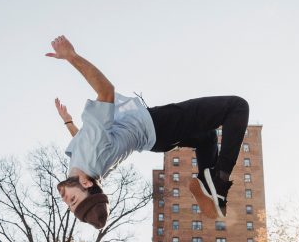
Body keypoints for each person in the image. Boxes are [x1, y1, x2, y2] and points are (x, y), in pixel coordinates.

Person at [46, 35, 249, 229]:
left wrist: (68, 122)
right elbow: (106, 90)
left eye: (70, 204)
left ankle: (207, 184)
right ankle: (219, 183)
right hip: (159, 125)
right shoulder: (91, 154)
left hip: (156, 139)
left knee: (206, 136)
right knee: (237, 107)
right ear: (85, 183)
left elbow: (81, 139)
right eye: (73, 199)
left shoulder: (81, 167)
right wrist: (71, 56)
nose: (65, 200)